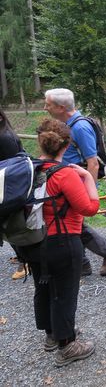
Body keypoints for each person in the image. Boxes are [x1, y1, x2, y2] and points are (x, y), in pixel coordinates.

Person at [16, 118, 98, 366]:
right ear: (66, 145)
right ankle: (67, 345)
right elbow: (90, 207)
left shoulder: (29, 170)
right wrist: (85, 177)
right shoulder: (65, 175)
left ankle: (51, 336)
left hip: (32, 242)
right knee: (64, 293)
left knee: (43, 287)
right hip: (62, 241)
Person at [44, 88, 106, 277]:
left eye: (48, 104)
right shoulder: (66, 124)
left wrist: (89, 191)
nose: (45, 107)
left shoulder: (79, 127)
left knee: (73, 224)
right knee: (70, 223)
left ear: (61, 107)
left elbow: (92, 163)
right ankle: (83, 264)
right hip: (67, 182)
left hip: (76, 184)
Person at [0, 109, 28, 280]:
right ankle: (22, 256)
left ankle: (26, 261)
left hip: (10, 188)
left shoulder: (5, 138)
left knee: (11, 224)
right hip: (5, 186)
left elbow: (13, 167)